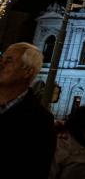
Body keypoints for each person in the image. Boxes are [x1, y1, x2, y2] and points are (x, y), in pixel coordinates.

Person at [0, 42, 56, 179]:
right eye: (2, 59)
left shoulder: (41, 123)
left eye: (9, 60)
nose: (1, 64)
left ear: (28, 71)